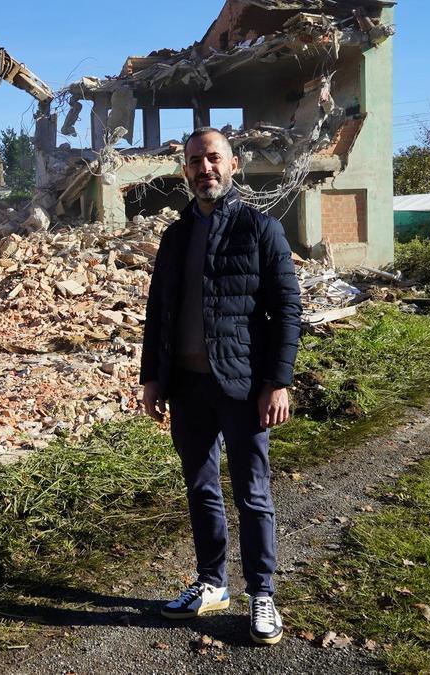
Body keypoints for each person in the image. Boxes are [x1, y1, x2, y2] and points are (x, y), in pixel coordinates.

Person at [140, 128, 301, 645]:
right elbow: (157, 313)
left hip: (243, 385)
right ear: (183, 170)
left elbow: (288, 313)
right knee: (201, 488)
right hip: (187, 388)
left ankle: (262, 594)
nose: (204, 168)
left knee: (252, 493)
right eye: (194, 161)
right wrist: (151, 377)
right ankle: (213, 583)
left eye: (213, 159)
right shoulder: (175, 234)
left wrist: (277, 382)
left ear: (233, 165)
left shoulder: (261, 230)